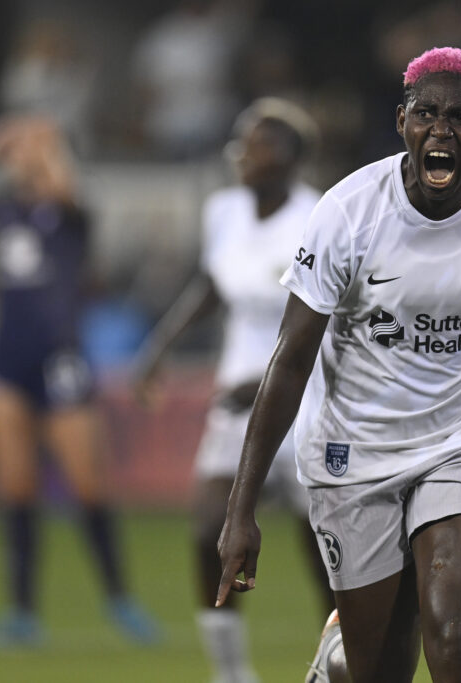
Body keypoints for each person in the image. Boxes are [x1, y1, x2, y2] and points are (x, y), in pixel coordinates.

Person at [214, 47, 461, 683]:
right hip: (355, 450)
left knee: (457, 638)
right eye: (427, 115)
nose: (442, 131)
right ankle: (339, 659)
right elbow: (292, 358)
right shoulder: (347, 213)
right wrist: (240, 511)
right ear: (402, 122)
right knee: (380, 669)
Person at [0, 114, 158, 646]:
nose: (23, 151)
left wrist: (48, 147)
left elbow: (69, 188)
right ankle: (23, 613)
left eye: (34, 145)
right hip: (8, 357)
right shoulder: (0, 210)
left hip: (61, 359)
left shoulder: (72, 213)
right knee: (16, 487)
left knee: (88, 485)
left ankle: (120, 600)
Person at [133, 97, 334, 683]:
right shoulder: (222, 211)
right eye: (241, 140)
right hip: (235, 396)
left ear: (294, 157)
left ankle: (345, 659)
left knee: (321, 549)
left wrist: (268, 377)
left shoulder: (319, 214)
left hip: (310, 391)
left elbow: (339, 313)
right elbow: (214, 284)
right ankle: (231, 674)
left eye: (260, 141)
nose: (244, 152)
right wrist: (159, 347)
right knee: (208, 531)